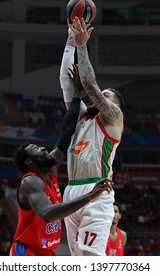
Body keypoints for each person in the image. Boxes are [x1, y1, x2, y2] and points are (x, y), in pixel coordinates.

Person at [9, 87, 113, 256]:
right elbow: (48, 214)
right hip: (27, 251)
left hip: (47, 251)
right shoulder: (31, 181)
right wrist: (89, 196)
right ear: (29, 161)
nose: (42, 148)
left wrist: (77, 95)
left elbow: (65, 132)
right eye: (35, 148)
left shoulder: (51, 167)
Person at [59, 17, 124, 256]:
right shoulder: (83, 117)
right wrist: (69, 41)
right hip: (72, 190)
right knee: (77, 262)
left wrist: (82, 45)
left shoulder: (114, 118)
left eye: (106, 96)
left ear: (114, 105)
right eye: (102, 94)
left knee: (90, 264)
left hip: (97, 190)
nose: (100, 97)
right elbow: (68, 82)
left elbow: (87, 82)